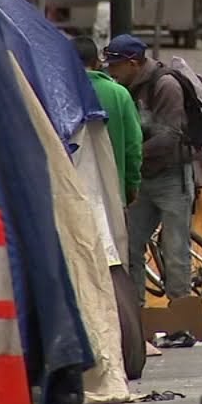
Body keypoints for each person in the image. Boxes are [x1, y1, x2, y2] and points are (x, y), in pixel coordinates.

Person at [103, 34, 194, 305]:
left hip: (171, 177)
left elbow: (169, 136)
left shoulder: (165, 85)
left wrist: (131, 154)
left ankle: (181, 318)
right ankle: (137, 316)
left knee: (175, 250)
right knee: (131, 246)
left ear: (132, 63)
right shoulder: (125, 88)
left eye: (115, 66)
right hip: (143, 180)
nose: (112, 72)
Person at [73, 36, 142, 206]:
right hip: (111, 194)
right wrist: (131, 185)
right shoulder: (119, 94)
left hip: (71, 194)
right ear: (97, 62)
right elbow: (133, 146)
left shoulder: (57, 93)